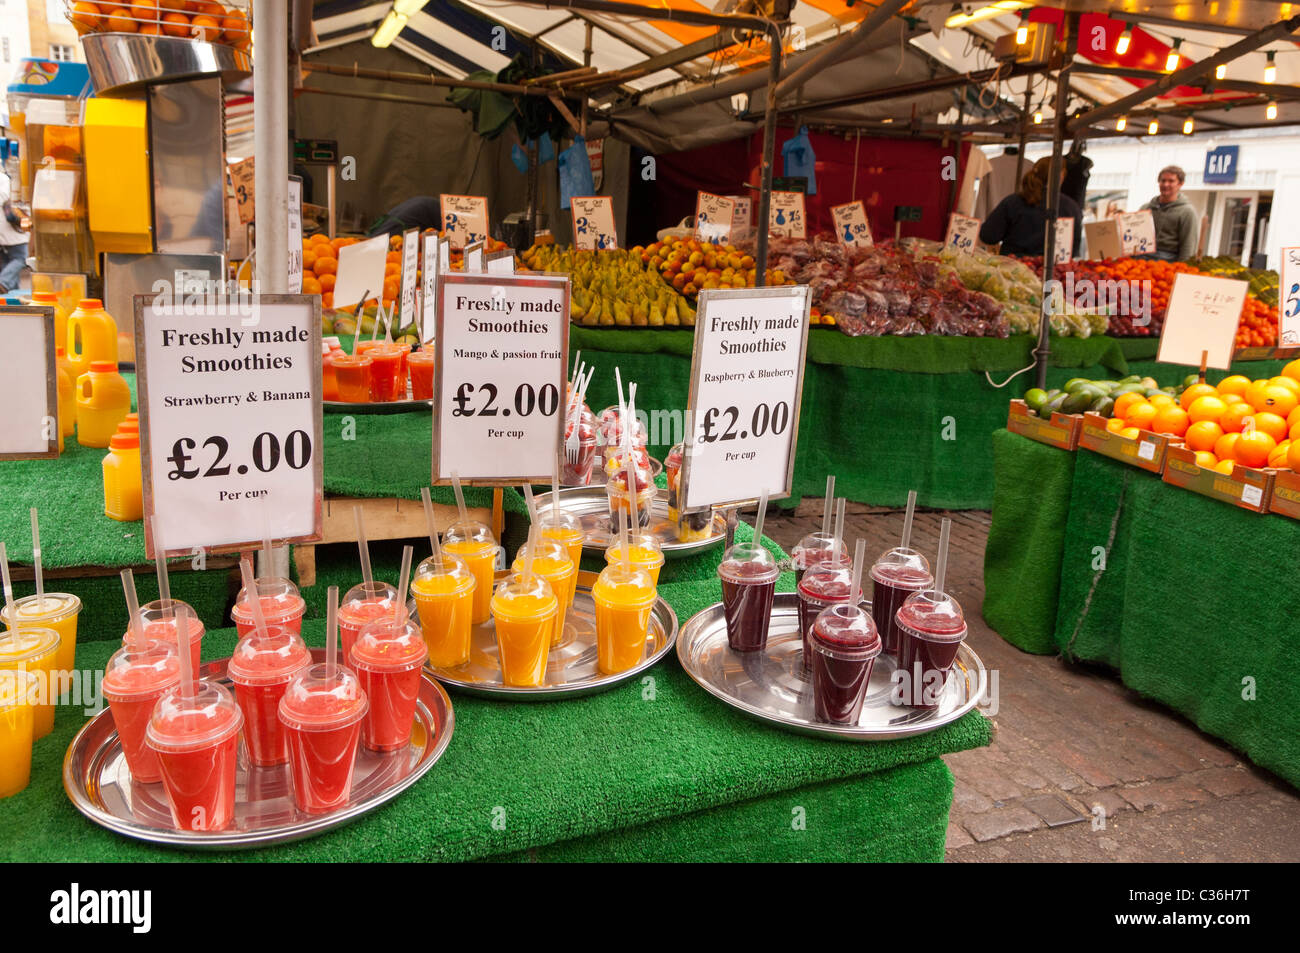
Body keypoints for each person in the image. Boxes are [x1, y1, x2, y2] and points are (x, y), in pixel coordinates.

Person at [978, 156, 1082, 258]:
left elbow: (988, 236)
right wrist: (1069, 275)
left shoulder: (1013, 202)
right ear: (1061, 176)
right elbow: (1073, 251)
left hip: (1013, 270)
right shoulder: (1071, 207)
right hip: (1055, 271)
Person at [1140, 165, 1198, 261]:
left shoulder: (1187, 212)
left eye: (1171, 181)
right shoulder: (1145, 208)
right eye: (1163, 181)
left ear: (1180, 184)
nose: (1166, 184)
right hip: (1140, 259)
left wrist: (1181, 268)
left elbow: (1188, 245)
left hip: (1167, 261)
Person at [0, 171, 29, 294]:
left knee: (7, 262)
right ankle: (3, 282)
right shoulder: (4, 179)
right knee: (21, 258)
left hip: (5, 230)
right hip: (12, 229)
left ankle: (12, 294)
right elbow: (9, 198)